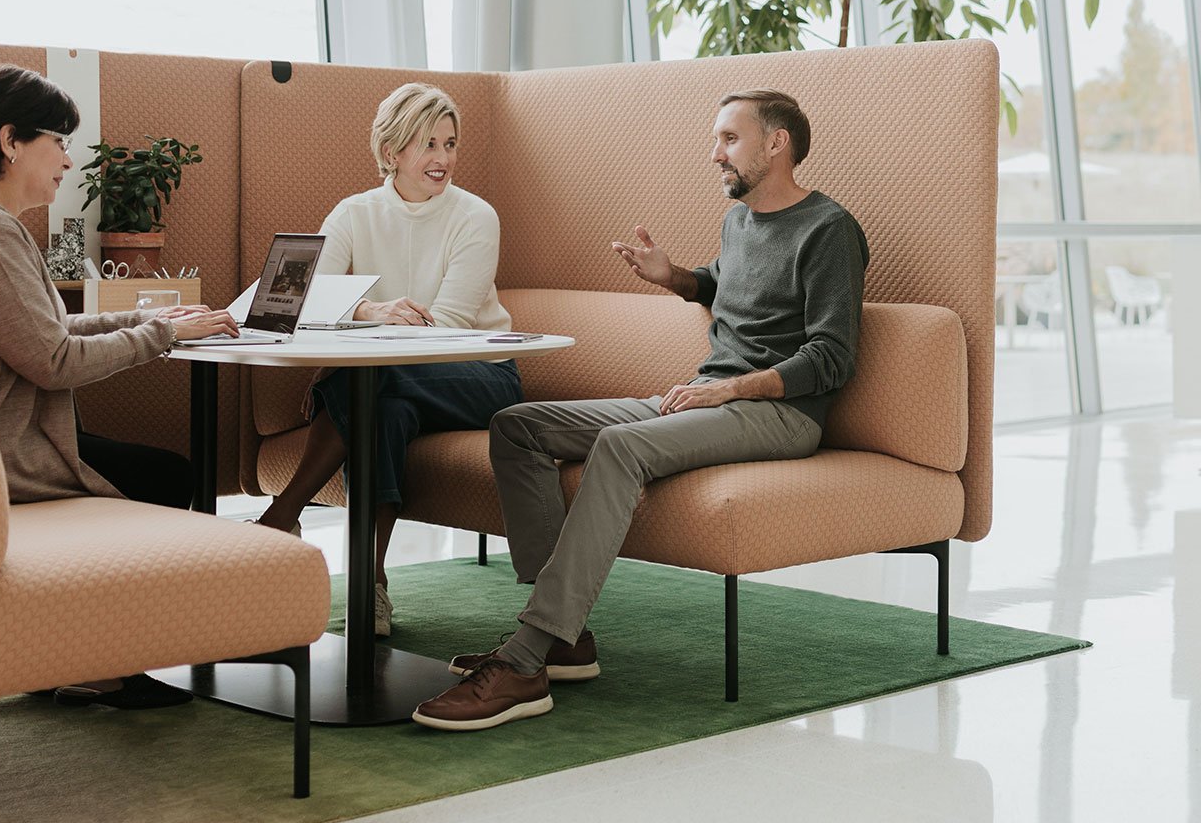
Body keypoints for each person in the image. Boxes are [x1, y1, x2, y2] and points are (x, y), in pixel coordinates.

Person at [412, 89, 869, 731]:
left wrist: (730, 389)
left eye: (729, 139)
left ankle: (526, 658)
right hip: (704, 395)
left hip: (780, 415)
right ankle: (564, 638)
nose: (716, 153)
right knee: (519, 428)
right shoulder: (740, 222)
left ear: (777, 143)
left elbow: (832, 357)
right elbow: (727, 286)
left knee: (620, 447)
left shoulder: (829, 230)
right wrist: (675, 277)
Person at [0, 63, 239, 709]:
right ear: (10, 142)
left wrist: (152, 317)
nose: (67, 158)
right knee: (168, 479)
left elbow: (43, 326)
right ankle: (103, 660)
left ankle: (78, 653)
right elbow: (54, 360)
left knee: (156, 473)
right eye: (58, 139)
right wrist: (164, 339)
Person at [257, 82, 520, 637]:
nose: (443, 159)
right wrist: (372, 313)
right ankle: (370, 583)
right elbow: (307, 304)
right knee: (383, 411)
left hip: (478, 374)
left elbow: (446, 328)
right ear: (392, 151)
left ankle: (283, 514)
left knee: (367, 387)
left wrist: (347, 359)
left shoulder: (475, 216)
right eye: (428, 144)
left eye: (450, 144)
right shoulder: (354, 214)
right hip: (393, 384)